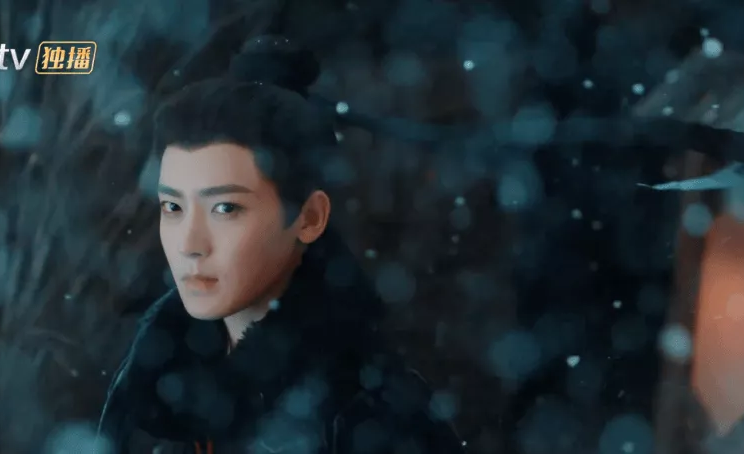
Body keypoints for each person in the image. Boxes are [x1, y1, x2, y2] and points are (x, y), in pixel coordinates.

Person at [96, 36, 466, 454]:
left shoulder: (366, 408)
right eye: (173, 207)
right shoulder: (147, 380)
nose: (190, 244)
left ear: (309, 218)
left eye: (225, 209)